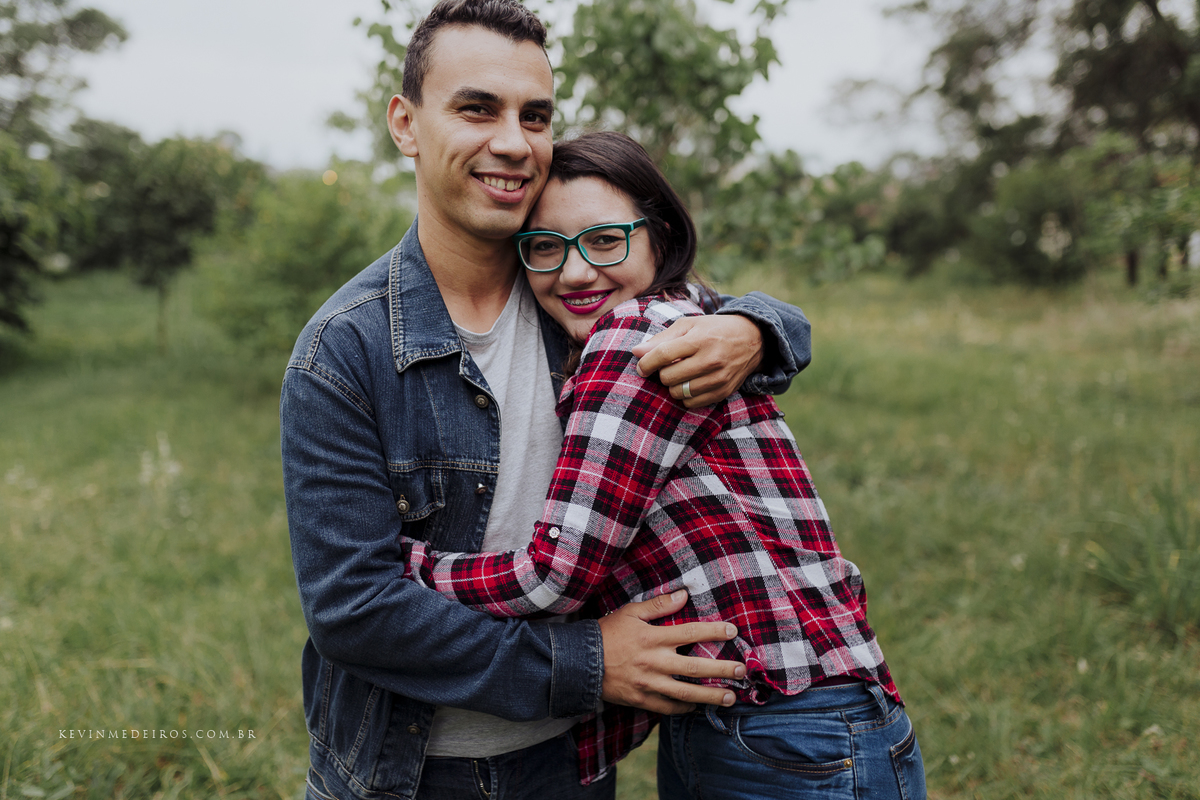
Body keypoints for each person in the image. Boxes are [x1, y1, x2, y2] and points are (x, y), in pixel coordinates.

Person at [280, 2, 814, 799]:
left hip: (569, 763)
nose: (512, 141)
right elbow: (354, 611)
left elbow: (719, 314)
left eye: (535, 115)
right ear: (405, 122)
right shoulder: (344, 351)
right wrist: (590, 662)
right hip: (409, 771)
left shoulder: (576, 295)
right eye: (476, 108)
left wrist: (758, 327)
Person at [399, 130, 927, 800]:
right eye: (545, 249)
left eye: (606, 240)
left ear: (661, 235)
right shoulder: (685, 316)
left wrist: (407, 567)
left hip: (782, 733)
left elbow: (555, 575)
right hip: (799, 715)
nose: (576, 273)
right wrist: (757, 324)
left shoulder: (631, 341)